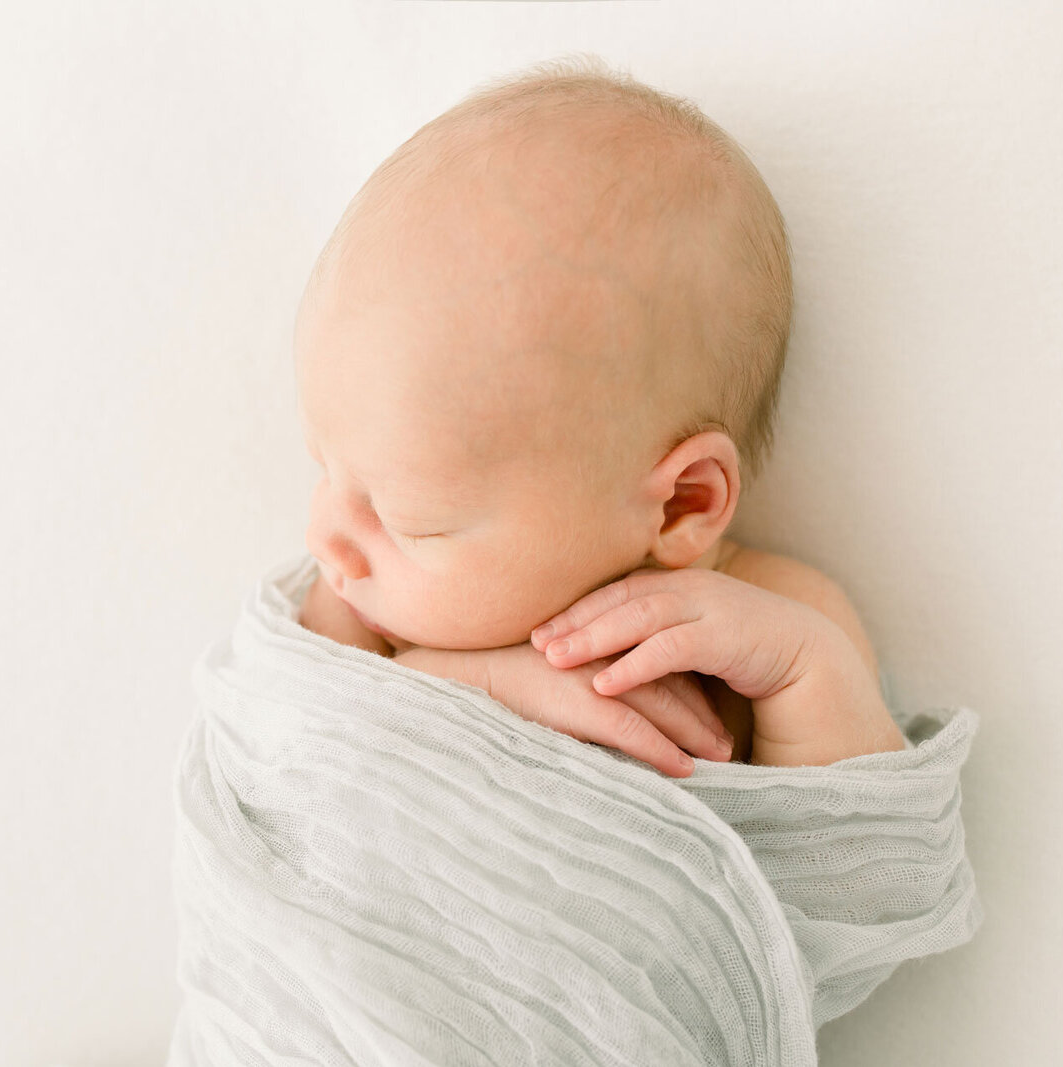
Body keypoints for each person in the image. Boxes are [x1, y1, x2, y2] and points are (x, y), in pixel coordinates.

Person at [296, 55, 907, 775]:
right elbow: (295, 751)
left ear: (683, 504)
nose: (325, 537)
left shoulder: (779, 624)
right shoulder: (365, 610)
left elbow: (873, 867)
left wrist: (806, 673)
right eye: (321, 466)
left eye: (414, 519)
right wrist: (478, 686)